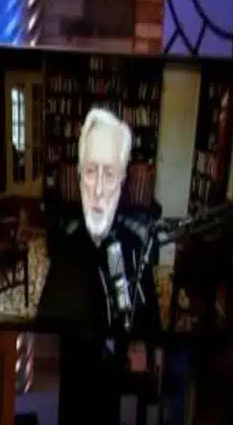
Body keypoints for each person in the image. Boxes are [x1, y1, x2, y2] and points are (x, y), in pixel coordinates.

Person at [37, 107, 161, 339]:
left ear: (122, 182)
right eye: (91, 171)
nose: (98, 190)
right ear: (79, 176)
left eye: (110, 174)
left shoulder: (137, 250)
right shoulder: (64, 249)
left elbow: (153, 338)